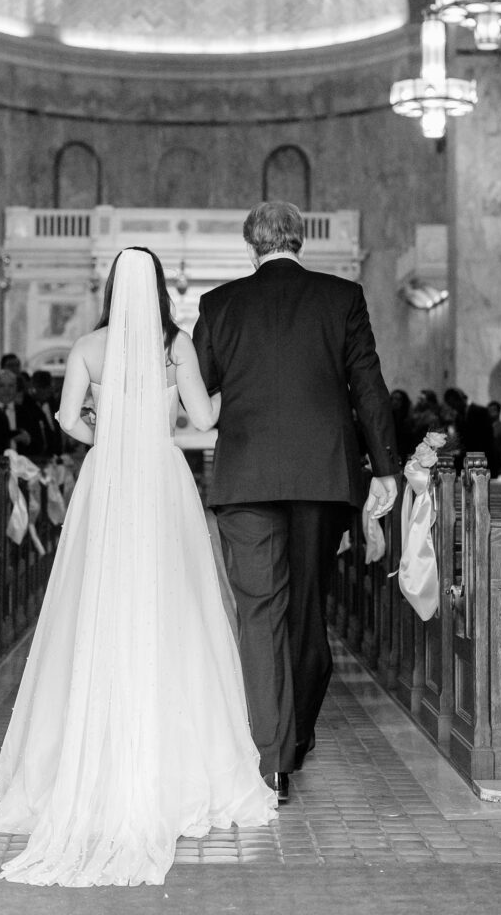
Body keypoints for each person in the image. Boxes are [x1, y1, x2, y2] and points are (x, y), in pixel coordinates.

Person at [0, 247, 277, 886]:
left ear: (113, 286)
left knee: (98, 600)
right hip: (163, 476)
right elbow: (204, 418)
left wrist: (107, 432)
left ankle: (90, 751)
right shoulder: (178, 347)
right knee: (173, 604)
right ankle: (182, 756)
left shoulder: (87, 345)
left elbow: (64, 421)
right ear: (162, 288)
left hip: (108, 478)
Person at [193, 201, 399, 803]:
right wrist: (384, 469)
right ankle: (297, 735)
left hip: (246, 476)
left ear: (249, 245)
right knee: (309, 608)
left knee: (260, 613)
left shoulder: (220, 303)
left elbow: (196, 387)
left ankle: (271, 758)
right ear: (301, 240)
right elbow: (369, 386)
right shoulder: (341, 297)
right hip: (322, 475)